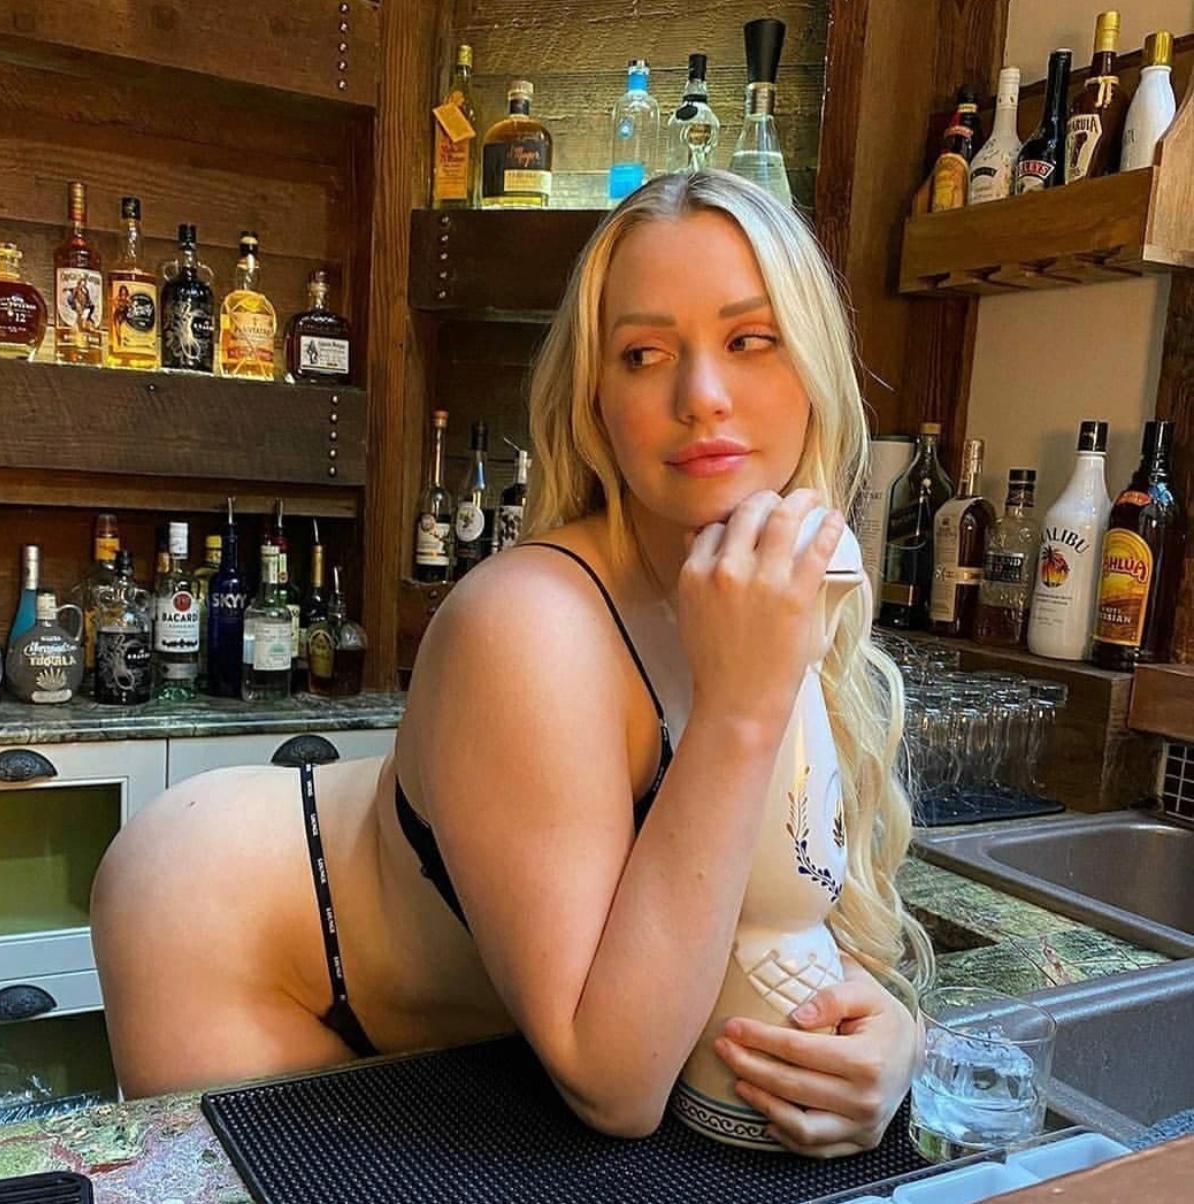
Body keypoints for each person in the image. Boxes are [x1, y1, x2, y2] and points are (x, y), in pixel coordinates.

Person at [91, 170, 932, 1158]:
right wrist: (740, 710)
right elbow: (614, 1085)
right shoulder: (529, 622)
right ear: (597, 401)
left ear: (815, 367)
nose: (702, 397)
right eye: (644, 353)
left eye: (751, 340)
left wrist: (890, 1032)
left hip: (491, 1023)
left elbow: (778, 902)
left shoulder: (778, 588)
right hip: (241, 935)